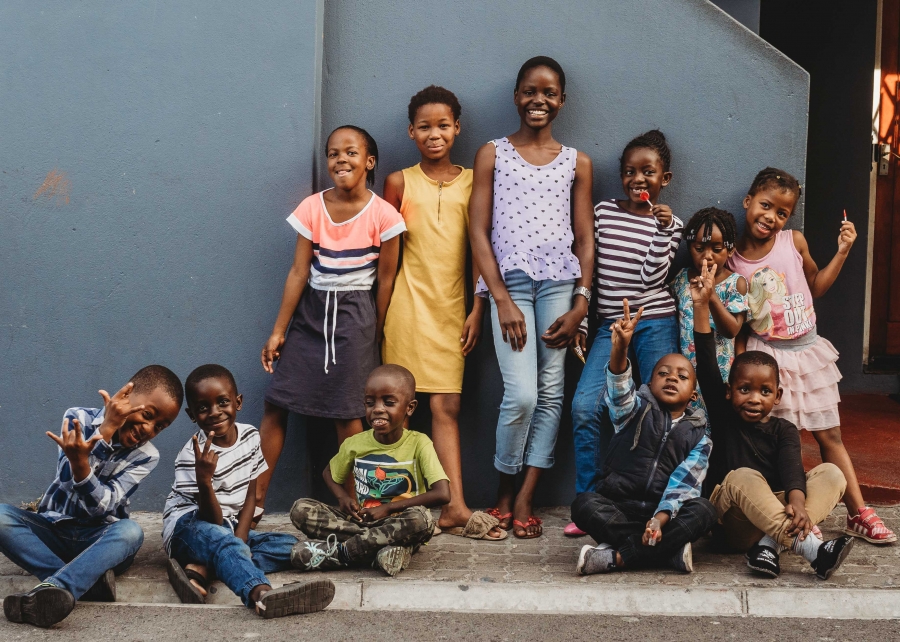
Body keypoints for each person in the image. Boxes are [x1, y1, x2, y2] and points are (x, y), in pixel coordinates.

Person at [728, 167, 895, 544]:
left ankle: (858, 512)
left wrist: (843, 251)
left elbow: (817, 285)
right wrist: (737, 370)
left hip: (808, 352)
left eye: (782, 212)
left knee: (830, 435)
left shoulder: (794, 242)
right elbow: (739, 326)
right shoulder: (733, 261)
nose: (771, 217)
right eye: (765, 205)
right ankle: (793, 513)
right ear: (748, 202)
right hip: (766, 359)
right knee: (778, 440)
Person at [469, 56, 594, 539]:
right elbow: (477, 232)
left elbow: (585, 237)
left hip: (561, 285)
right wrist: (499, 298)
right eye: (529, 91)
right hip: (511, 288)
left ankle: (524, 496)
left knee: (550, 392)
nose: (538, 101)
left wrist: (582, 300)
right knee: (520, 394)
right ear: (516, 96)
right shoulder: (492, 154)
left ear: (562, 100)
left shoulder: (576, 162)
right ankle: (504, 486)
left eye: (549, 93)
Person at [254, 126, 406, 524]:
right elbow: (298, 271)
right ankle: (252, 504)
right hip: (311, 315)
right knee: (276, 403)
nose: (341, 160)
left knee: (348, 414)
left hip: (356, 317)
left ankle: (359, 509)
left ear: (369, 162)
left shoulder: (384, 215)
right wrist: (278, 330)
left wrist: (375, 328)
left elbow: (386, 279)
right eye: (333, 153)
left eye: (351, 152)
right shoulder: (312, 208)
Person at [382, 86, 503, 541]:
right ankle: (395, 509)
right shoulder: (398, 181)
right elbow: (387, 258)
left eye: (444, 125)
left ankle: (454, 507)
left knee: (445, 405)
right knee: (397, 412)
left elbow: (479, 248)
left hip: (453, 307)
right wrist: (379, 319)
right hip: (406, 309)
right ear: (411, 131)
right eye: (425, 126)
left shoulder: (474, 180)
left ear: (458, 127)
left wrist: (478, 306)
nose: (435, 134)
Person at [690, 260, 856, 579]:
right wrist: (702, 304)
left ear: (777, 397)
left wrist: (798, 502)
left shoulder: (784, 429)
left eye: (764, 391)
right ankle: (812, 550)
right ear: (729, 392)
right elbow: (707, 361)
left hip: (771, 517)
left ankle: (771, 544)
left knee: (833, 474)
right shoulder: (725, 415)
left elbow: (792, 470)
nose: (754, 398)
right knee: (743, 476)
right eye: (744, 389)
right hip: (734, 524)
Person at [0, 366, 183, 628]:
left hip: (99, 541)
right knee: (1, 517)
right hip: (54, 529)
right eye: (148, 415)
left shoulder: (147, 455)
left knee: (131, 532)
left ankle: (55, 586)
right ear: (126, 395)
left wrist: (83, 464)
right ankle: (85, 584)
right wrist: (106, 431)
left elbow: (102, 507)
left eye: (160, 427)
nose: (149, 429)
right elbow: (65, 480)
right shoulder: (78, 418)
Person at [568, 130, 683, 537]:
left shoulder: (671, 224)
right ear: (621, 177)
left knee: (659, 410)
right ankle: (588, 503)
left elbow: (649, 278)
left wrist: (663, 231)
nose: (639, 179)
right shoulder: (603, 212)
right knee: (585, 408)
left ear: (663, 179)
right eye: (631, 172)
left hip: (654, 321)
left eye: (648, 172)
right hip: (611, 323)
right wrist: (583, 321)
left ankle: (658, 506)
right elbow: (590, 271)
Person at [163, 364, 334, 618]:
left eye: (223, 402)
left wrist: (241, 537)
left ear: (238, 402)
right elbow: (210, 520)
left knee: (286, 544)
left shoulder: (251, 437)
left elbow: (250, 496)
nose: (214, 412)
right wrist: (204, 480)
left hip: (228, 526)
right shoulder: (192, 454)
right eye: (203, 407)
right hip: (187, 528)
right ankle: (261, 594)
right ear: (191, 415)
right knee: (223, 541)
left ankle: (199, 570)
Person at [571, 301, 716, 575]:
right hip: (618, 507)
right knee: (583, 505)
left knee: (705, 510)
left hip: (663, 515)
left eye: (682, 376)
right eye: (663, 373)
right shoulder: (634, 408)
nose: (671, 377)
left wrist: (659, 522)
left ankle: (617, 557)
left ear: (693, 396)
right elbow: (618, 389)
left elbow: (683, 487)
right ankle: (665, 554)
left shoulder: (699, 436)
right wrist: (620, 348)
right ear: (649, 384)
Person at [289, 365, 450, 577]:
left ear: (409, 408)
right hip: (363, 520)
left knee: (422, 520)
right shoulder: (356, 443)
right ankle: (377, 550)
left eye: (389, 402)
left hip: (399, 524)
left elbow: (442, 493)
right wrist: (343, 498)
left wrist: (389, 509)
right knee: (300, 509)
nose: (378, 409)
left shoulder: (419, 443)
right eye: (369, 403)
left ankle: (343, 553)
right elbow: (329, 472)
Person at [671, 207, 748, 415]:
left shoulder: (736, 283)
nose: (707, 256)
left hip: (719, 373)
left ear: (730, 250)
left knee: (716, 422)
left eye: (716, 248)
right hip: (685, 373)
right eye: (699, 248)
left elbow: (732, 330)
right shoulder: (681, 278)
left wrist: (711, 295)